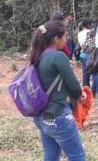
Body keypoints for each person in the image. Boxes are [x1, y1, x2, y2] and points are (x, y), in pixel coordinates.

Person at [28, 20, 86, 160]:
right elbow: (73, 86)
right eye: (65, 36)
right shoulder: (57, 56)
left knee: (51, 155)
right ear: (56, 38)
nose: (66, 40)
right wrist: (80, 94)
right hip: (58, 115)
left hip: (43, 116)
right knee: (77, 155)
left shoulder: (37, 55)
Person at [77, 17, 98, 96]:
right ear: (89, 24)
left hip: (83, 54)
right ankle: (94, 91)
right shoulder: (92, 33)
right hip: (91, 55)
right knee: (94, 74)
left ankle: (86, 92)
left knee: (85, 74)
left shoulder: (79, 33)